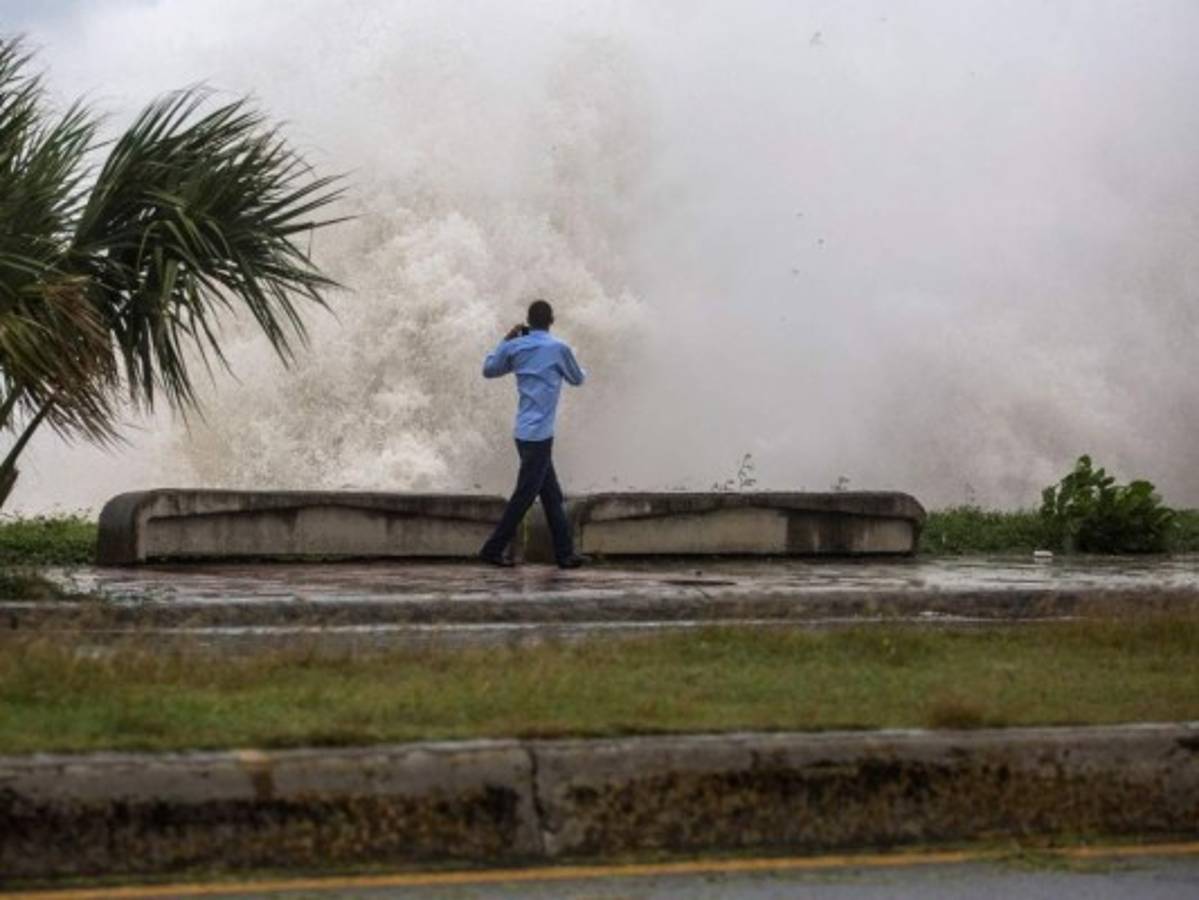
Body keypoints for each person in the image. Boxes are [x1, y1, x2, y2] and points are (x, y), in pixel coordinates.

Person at [479, 299, 588, 568]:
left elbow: (489, 370)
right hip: (540, 436)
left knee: (551, 494)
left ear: (528, 321)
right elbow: (578, 379)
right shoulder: (559, 349)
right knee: (525, 496)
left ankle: (565, 554)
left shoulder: (516, 346)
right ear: (551, 320)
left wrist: (506, 339)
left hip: (523, 432)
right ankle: (492, 549)